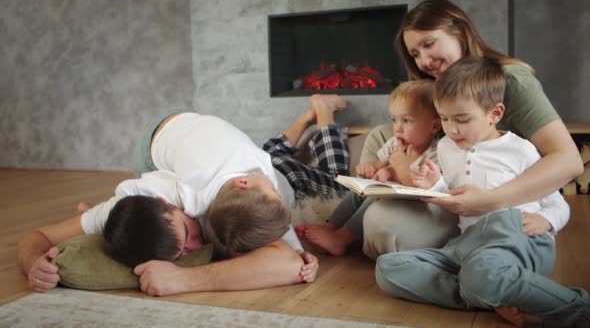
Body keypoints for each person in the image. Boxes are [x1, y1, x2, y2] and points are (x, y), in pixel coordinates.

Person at [17, 94, 350, 296]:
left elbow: (287, 264)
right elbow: (38, 236)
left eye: (189, 233)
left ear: (168, 204)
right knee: (272, 155)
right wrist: (34, 264)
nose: (198, 245)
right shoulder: (131, 205)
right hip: (177, 146)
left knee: (335, 182)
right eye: (184, 251)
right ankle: (89, 211)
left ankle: (321, 115)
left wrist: (184, 279)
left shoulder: (204, 191)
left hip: (185, 143)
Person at [375, 56, 590, 326]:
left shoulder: (520, 149)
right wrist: (435, 185)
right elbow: (453, 194)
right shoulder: (446, 147)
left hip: (517, 237)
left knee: (481, 273)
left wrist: (548, 221)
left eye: (462, 119)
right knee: (388, 269)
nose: (451, 128)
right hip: (468, 242)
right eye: (444, 118)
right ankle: (493, 293)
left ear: (495, 114)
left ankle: (583, 309)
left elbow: (557, 201)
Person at [361, 0, 584, 259]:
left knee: (383, 226)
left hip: (494, 203)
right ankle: (351, 221)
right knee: (378, 136)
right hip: (446, 188)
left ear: (459, 31)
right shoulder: (436, 88)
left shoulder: (510, 80)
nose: (423, 60)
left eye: (429, 44)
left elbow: (569, 161)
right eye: (414, 54)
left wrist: (490, 201)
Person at [295, 80, 453, 256]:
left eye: (407, 121)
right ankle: (330, 227)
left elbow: (414, 187)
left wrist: (398, 166)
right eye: (394, 120)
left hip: (417, 206)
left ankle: (342, 238)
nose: (398, 128)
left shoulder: (435, 152)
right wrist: (370, 169)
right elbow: (379, 163)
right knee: (360, 190)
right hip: (395, 193)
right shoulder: (394, 143)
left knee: (375, 195)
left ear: (434, 126)